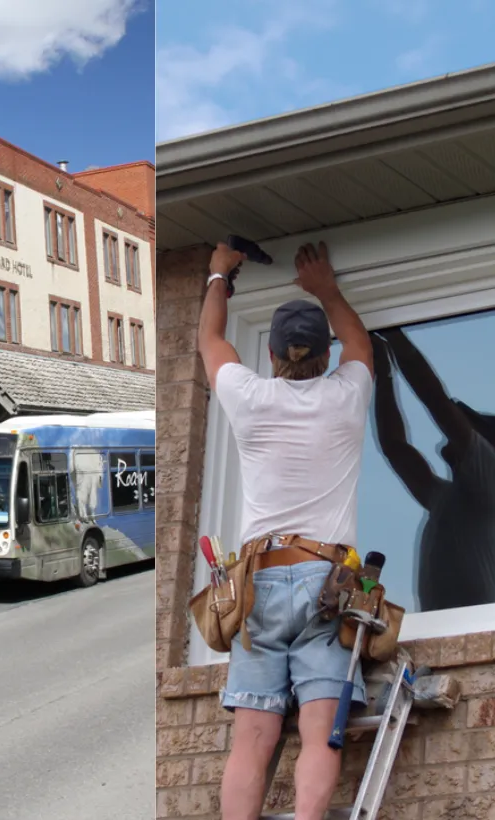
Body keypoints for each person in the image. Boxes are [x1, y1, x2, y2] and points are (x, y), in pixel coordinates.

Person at [197, 241, 375, 820]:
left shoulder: (250, 397)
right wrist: (326, 289)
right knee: (321, 732)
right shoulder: (346, 395)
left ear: (272, 355)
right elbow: (361, 344)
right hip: (329, 580)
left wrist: (219, 274)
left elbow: (210, 340)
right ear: (325, 355)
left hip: (259, 583)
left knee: (253, 740)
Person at [372, 328, 495, 611]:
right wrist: (384, 374)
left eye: (469, 428)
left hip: (472, 631)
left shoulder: (490, 475)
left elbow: (437, 402)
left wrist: (394, 332)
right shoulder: (448, 499)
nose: (457, 433)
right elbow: (395, 447)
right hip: (446, 628)